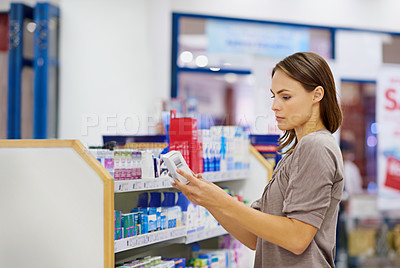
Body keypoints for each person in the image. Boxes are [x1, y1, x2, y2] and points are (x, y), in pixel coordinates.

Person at [172, 52, 344, 267]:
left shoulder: (316, 146)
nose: (275, 106)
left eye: (286, 96)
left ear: (317, 95)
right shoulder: (294, 154)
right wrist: (208, 200)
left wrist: (221, 200)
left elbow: (297, 238)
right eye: (274, 96)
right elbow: (254, 238)